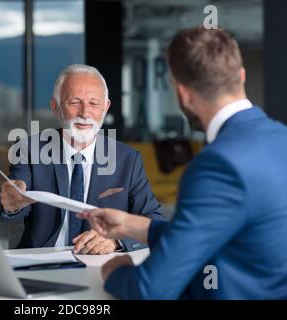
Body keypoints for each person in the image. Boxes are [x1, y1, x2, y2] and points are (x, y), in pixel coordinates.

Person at [78, 26, 287, 299]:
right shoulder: (280, 138)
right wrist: (133, 226)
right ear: (241, 76)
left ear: (184, 94)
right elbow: (218, 231)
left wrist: (116, 269)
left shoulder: (217, 164)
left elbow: (150, 289)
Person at [0, 64, 164, 254]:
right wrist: (12, 203)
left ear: (106, 107)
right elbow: (9, 206)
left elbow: (154, 220)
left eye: (94, 103)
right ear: (55, 107)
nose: (85, 113)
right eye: (75, 102)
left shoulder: (127, 159)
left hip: (100, 264)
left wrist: (117, 240)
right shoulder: (30, 150)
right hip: (41, 263)